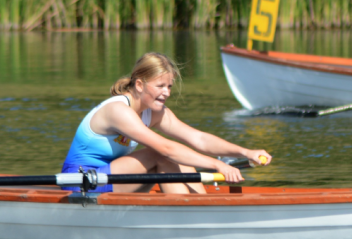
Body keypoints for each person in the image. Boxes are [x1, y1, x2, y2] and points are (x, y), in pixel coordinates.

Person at [61, 52, 272, 193]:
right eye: (160, 85)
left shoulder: (154, 113)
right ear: (140, 85)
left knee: (181, 162)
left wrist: (245, 152)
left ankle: (203, 207)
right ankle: (194, 215)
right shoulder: (118, 110)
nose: (167, 93)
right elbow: (165, 148)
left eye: (169, 86)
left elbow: (198, 138)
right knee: (159, 154)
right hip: (81, 181)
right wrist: (217, 164)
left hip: (110, 178)